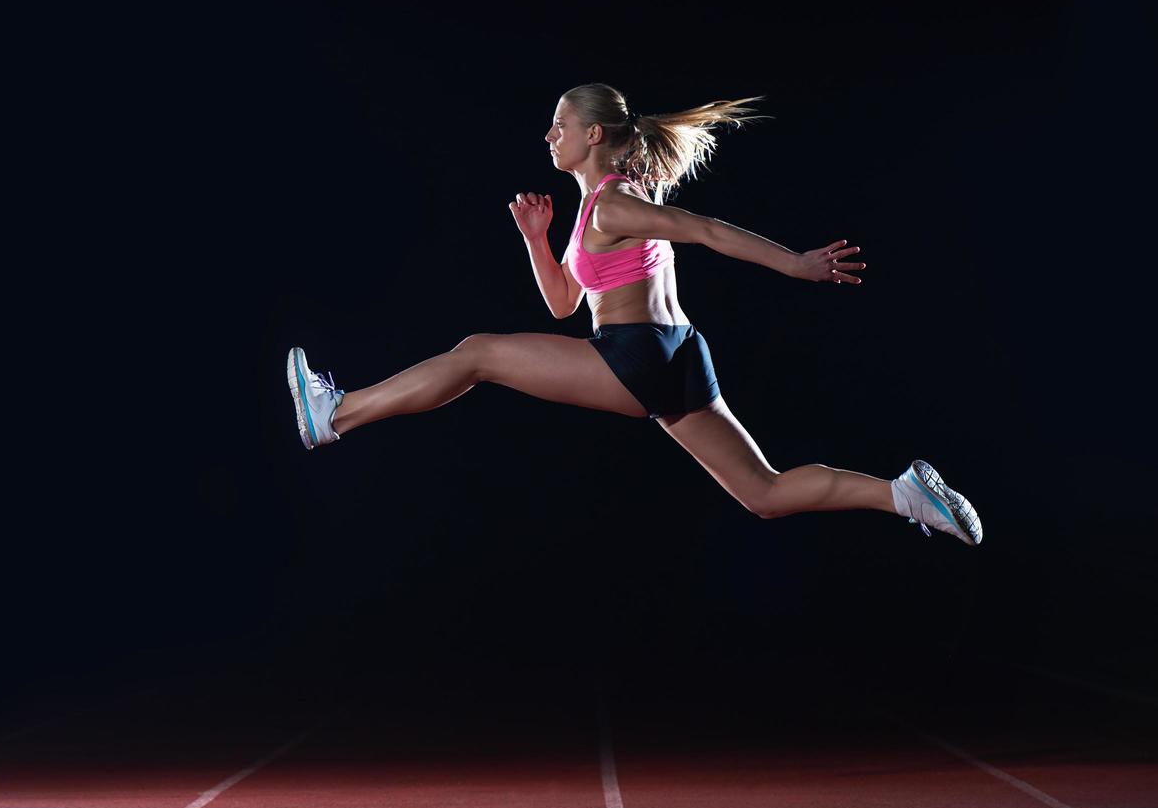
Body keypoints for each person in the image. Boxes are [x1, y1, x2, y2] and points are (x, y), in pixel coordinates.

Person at [287, 82, 982, 545]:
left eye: (560, 125)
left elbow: (705, 228)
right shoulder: (599, 207)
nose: (548, 134)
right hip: (677, 353)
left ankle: (336, 415)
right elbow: (563, 304)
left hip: (636, 354)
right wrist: (535, 240)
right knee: (764, 493)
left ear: (594, 135)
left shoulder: (615, 202)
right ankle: (904, 496)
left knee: (477, 352)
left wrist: (797, 263)